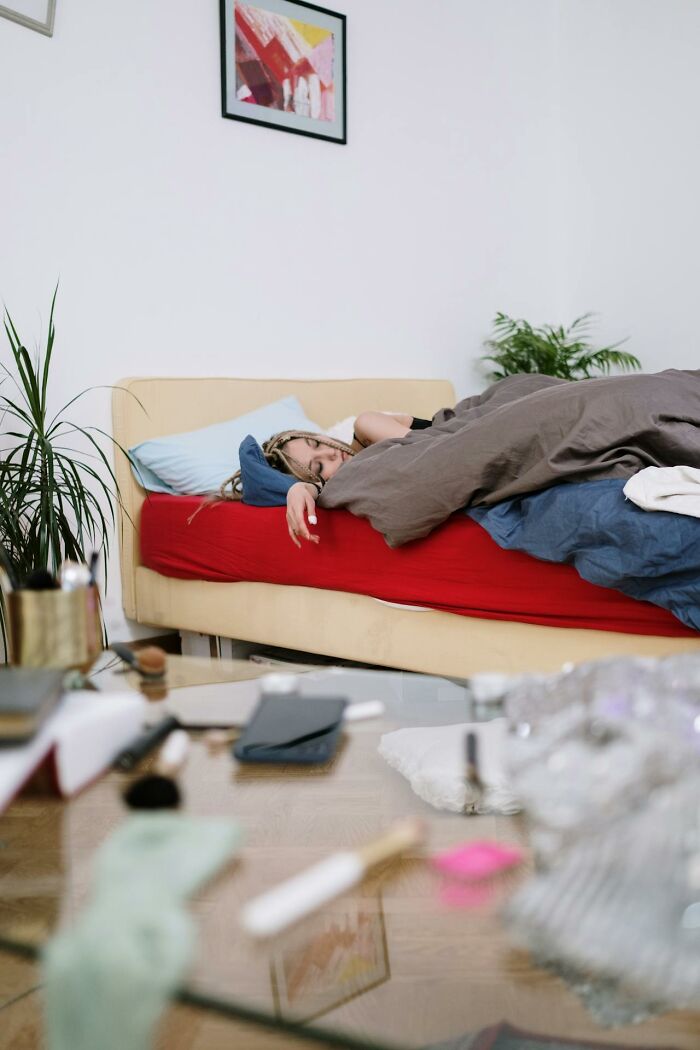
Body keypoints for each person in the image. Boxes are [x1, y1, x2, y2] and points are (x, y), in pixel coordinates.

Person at [220, 411, 432, 547]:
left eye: (317, 444)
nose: (329, 454)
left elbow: (432, 452)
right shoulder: (348, 488)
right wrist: (301, 488)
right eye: (318, 466)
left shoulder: (366, 427)